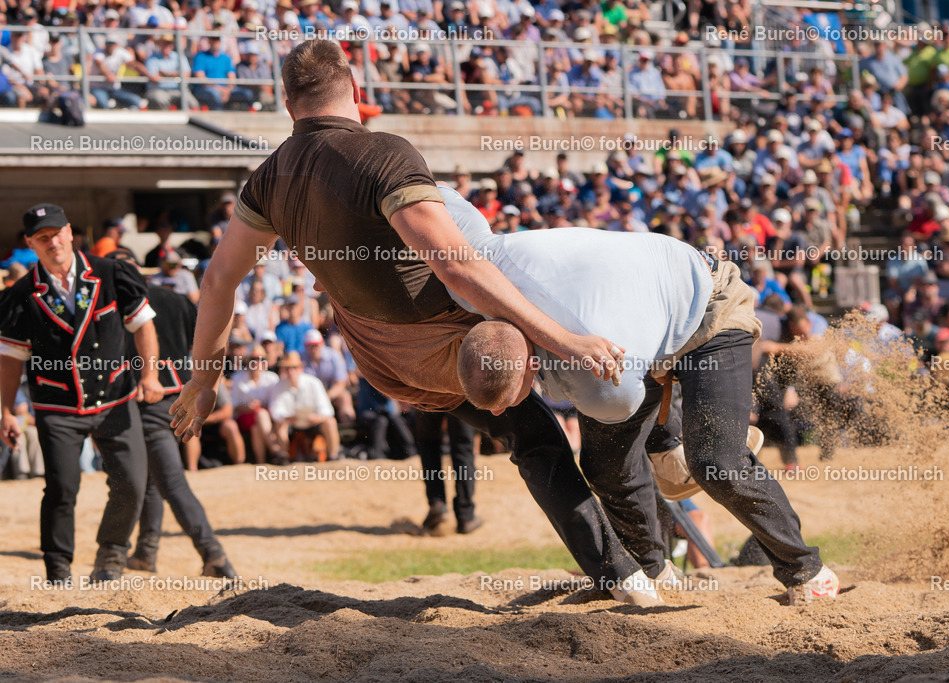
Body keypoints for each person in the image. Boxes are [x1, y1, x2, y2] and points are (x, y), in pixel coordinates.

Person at [168, 40, 654, 605]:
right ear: (356, 91)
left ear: (286, 102)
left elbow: (217, 281)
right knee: (571, 392)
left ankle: (626, 564)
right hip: (449, 346)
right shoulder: (383, 153)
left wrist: (203, 381)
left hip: (383, 363)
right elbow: (454, 265)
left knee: (531, 429)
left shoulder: (269, 177)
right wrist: (563, 339)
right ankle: (632, 568)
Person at [444, 186, 838, 606]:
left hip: (708, 305)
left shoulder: (594, 376)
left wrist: (667, 440)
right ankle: (654, 569)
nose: (503, 412)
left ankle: (807, 570)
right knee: (605, 463)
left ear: (529, 365)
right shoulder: (469, 272)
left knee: (716, 462)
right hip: (638, 320)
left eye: (507, 399)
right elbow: (436, 196)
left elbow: (628, 397)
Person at [0, 203, 162, 584]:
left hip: (116, 396)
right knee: (61, 486)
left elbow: (143, 326)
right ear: (31, 243)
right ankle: (57, 569)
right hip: (56, 404)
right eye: (42, 237)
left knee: (133, 483)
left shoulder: (110, 273)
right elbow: (10, 358)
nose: (52, 241)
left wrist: (150, 376)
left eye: (57, 233)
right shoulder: (22, 295)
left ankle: (111, 554)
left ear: (70, 232)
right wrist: (6, 411)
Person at [107, 249, 237, 578]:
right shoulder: (176, 300)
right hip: (180, 393)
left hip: (145, 399)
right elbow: (208, 337)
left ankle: (215, 557)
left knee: (171, 482)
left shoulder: (118, 305)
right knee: (153, 479)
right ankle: (146, 554)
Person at [415, 410, 480, 534]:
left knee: (428, 443)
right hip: (460, 394)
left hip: (425, 393)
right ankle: (465, 516)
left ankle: (437, 504)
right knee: (463, 448)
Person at [269, 351, 340, 461]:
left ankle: (333, 457)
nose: (291, 371)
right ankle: (284, 458)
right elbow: (275, 411)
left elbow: (327, 410)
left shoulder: (313, 383)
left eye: (294, 367)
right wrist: (286, 418)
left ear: (300, 368)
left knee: (330, 422)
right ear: (284, 370)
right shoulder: (279, 386)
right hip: (292, 424)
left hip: (313, 422)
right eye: (288, 368)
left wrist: (318, 417)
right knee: (279, 425)